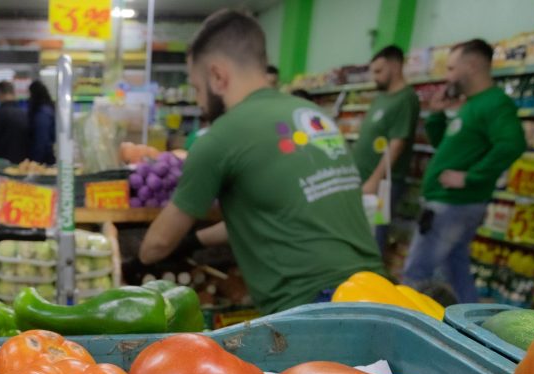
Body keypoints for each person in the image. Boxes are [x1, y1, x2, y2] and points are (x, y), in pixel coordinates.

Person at [132, 9, 383, 315]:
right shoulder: (313, 114)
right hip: (376, 291)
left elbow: (155, 246)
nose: (199, 101)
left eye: (197, 88)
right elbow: (277, 212)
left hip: (311, 306)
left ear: (217, 76)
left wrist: (138, 256)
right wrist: (195, 240)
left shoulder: (220, 137)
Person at [403, 39, 525, 303]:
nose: (447, 76)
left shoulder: (495, 103)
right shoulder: (470, 104)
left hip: (453, 204)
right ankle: (473, 325)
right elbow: (445, 147)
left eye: (450, 68)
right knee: (456, 270)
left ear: (471, 66)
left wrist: (470, 177)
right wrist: (436, 115)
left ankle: (399, 328)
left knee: (416, 272)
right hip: (449, 203)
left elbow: (513, 144)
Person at [352, 44, 420, 252]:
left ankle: (372, 280)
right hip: (364, 179)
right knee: (360, 231)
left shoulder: (405, 99)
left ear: (396, 66)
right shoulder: (382, 97)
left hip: (381, 185)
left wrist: (375, 180)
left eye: (379, 71)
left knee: (374, 234)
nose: (375, 77)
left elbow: (397, 144)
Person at [26, 80, 56, 165]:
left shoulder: (42, 113)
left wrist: (35, 162)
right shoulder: (48, 108)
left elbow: (41, 139)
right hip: (48, 157)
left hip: (44, 160)